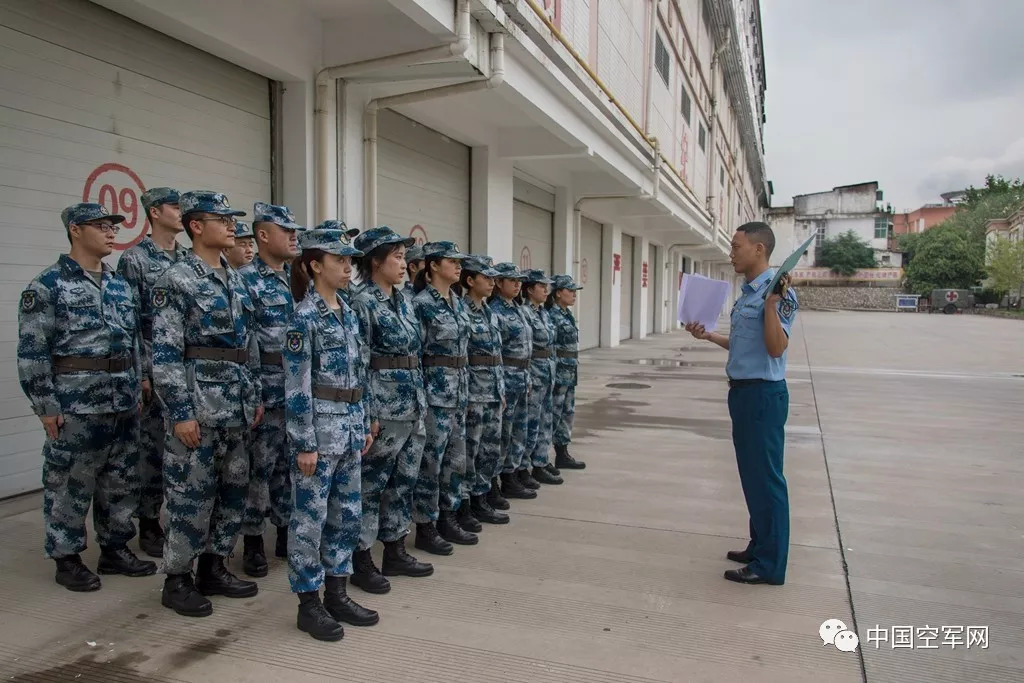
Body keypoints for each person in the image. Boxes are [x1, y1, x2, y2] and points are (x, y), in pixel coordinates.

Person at [18, 202, 156, 592]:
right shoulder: (47, 286)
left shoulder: (118, 285)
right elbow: (32, 352)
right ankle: (67, 557)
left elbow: (133, 341)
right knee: (70, 483)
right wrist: (45, 405)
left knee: (121, 480)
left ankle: (115, 548)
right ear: (76, 230)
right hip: (77, 403)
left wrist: (141, 381)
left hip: (123, 399)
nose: (111, 232)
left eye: (113, 226)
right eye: (101, 226)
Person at [151, 191, 264, 617]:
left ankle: (214, 567)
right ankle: (177, 578)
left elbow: (247, 348)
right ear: (196, 226)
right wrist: (179, 412)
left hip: (234, 407)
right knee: (189, 496)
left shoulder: (235, 279)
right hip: (198, 408)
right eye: (222, 219)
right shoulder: (176, 280)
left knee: (233, 492)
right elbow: (164, 355)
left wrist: (252, 396)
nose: (232, 226)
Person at [684, 221, 797, 586]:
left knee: (767, 480)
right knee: (753, 477)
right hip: (744, 393)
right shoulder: (748, 291)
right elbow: (744, 345)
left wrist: (771, 306)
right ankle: (759, 545)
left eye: (736, 247)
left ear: (759, 249)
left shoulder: (777, 293)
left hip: (763, 395)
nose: (731, 253)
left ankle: (769, 565)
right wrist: (711, 336)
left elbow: (776, 348)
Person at [283, 226, 379, 641]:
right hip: (319, 435)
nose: (347, 267)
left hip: (350, 429)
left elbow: (360, 374)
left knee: (346, 514)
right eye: (338, 260)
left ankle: (338, 591)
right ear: (314, 265)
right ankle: (309, 602)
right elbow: (296, 385)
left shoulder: (349, 313)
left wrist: (365, 421)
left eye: (349, 260)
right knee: (310, 519)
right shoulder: (302, 319)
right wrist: (304, 443)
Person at [348, 227, 433, 594]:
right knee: (371, 487)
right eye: (396, 257)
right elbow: (359, 363)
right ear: (375, 261)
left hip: (411, 407)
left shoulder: (403, 300)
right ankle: (361, 559)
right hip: (383, 410)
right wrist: (369, 415)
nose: (403, 263)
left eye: (404, 256)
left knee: (403, 482)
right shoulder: (362, 302)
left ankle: (395, 549)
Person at [116, 187, 187, 558]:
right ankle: (147, 522)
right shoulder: (136, 259)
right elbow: (128, 322)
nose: (182, 212)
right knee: (150, 450)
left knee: (178, 451)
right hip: (153, 369)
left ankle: (177, 518)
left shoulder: (188, 259)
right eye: (176, 207)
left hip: (185, 372)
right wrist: (142, 373)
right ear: (155, 212)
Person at [236, 202, 304, 577]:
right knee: (259, 471)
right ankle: (252, 542)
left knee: (292, 470)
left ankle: (284, 532)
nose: (294, 236)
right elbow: (245, 344)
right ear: (263, 235)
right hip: (267, 390)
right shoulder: (245, 280)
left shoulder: (299, 279)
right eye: (286, 230)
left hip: (296, 392)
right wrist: (253, 394)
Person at [410, 241, 475, 552]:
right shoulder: (422, 304)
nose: (459, 266)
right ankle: (426, 525)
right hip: (435, 395)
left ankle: (448, 516)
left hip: (459, 393)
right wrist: (421, 397)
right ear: (433, 265)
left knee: (455, 461)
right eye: (452, 261)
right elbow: (416, 356)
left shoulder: (458, 303)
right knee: (430, 465)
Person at [458, 255, 509, 524]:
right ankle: (465, 505)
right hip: (473, 393)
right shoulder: (462, 311)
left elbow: (496, 355)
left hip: (491, 391)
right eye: (486, 278)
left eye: (492, 278)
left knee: (490, 449)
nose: (492, 283)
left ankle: (482, 497)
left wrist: (500, 390)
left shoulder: (489, 311)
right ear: (470, 280)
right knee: (470, 451)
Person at [489, 263, 536, 500]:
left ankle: (513, 474)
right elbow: (495, 352)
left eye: (519, 281)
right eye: (512, 280)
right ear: (499, 283)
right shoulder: (494, 311)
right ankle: (497, 481)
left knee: (519, 430)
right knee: (502, 434)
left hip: (522, 375)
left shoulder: (518, 309)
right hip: (506, 377)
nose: (518, 284)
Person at [521, 269, 563, 487]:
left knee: (546, 420)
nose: (546, 290)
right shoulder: (525, 313)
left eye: (547, 286)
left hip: (547, 372)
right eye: (541, 286)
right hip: (534, 373)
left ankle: (541, 460)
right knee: (532, 422)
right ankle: (525, 466)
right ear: (530, 289)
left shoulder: (543, 312)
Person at [547, 275, 587, 471]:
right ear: (558, 293)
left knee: (567, 414)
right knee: (552, 415)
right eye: (570, 291)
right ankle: (542, 458)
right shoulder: (551, 316)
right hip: (558, 372)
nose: (574, 295)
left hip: (569, 371)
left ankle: (562, 453)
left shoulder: (566, 314)